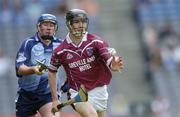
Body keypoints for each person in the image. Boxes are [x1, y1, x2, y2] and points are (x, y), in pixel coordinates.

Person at [48, 9, 123, 117]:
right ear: (69, 23)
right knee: (92, 115)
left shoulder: (96, 42)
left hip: (100, 90)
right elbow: (51, 72)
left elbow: (108, 59)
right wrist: (55, 99)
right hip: (77, 93)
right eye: (77, 22)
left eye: (83, 22)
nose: (81, 25)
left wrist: (113, 65)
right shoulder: (60, 51)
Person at [15, 14, 62, 117]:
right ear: (38, 27)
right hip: (27, 94)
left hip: (48, 93)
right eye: (45, 24)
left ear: (55, 28)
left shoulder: (61, 45)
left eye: (52, 25)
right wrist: (33, 69)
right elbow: (20, 68)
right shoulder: (28, 43)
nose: (49, 28)